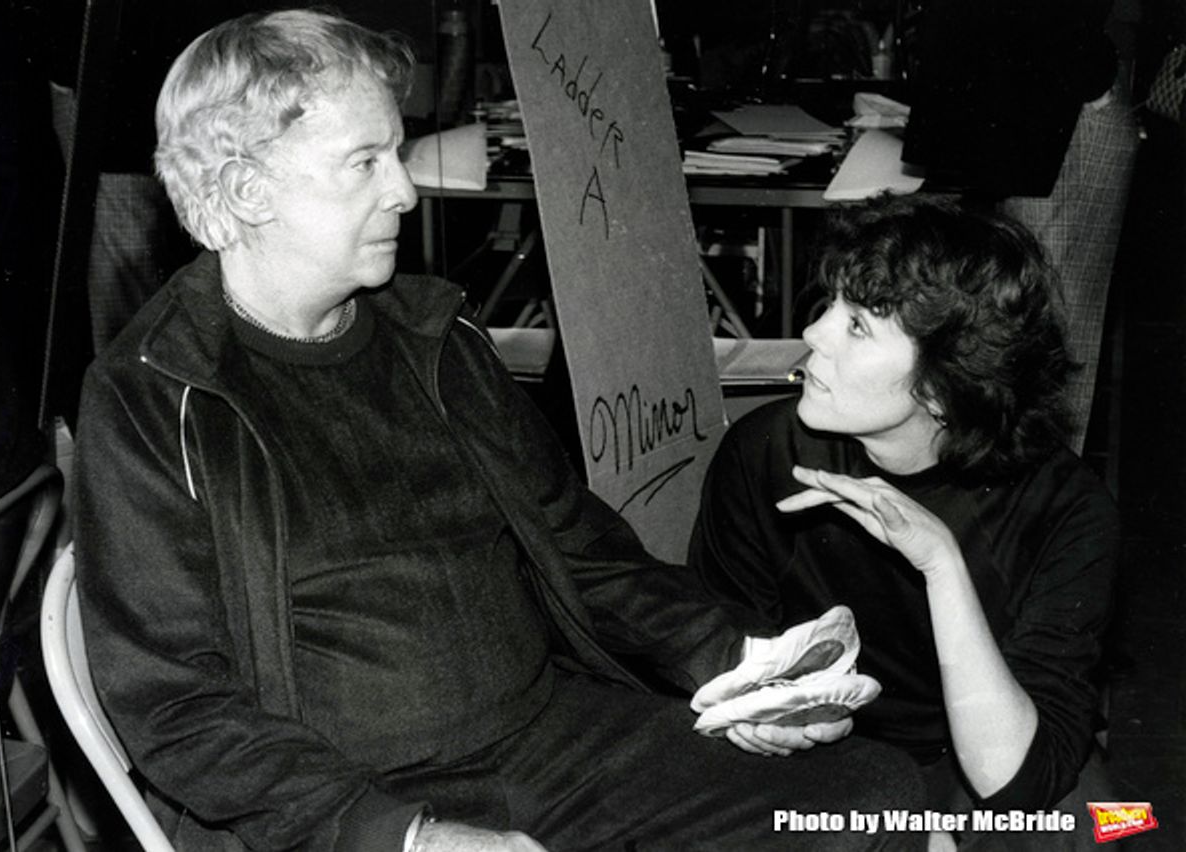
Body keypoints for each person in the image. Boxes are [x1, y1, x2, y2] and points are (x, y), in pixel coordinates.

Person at [72, 10, 926, 851]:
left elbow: (578, 544)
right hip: (354, 802)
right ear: (247, 192)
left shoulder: (435, 339)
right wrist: (410, 837)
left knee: (872, 801)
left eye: (397, 154)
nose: (404, 191)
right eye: (364, 163)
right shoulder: (157, 397)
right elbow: (178, 708)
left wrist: (735, 662)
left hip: (549, 737)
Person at [689, 196, 1120, 848]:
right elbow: (723, 644)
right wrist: (759, 714)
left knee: (1098, 831)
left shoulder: (1067, 511)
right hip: (828, 757)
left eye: (857, 325)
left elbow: (1014, 780)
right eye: (828, 305)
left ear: (942, 388)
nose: (813, 334)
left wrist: (940, 563)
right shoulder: (764, 454)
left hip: (987, 750)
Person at [902, 0, 1140, 453]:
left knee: (1036, 334)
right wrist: (1095, 77)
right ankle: (1044, 506)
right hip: (1054, 112)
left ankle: (1037, 502)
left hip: (1021, 113)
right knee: (1056, 335)